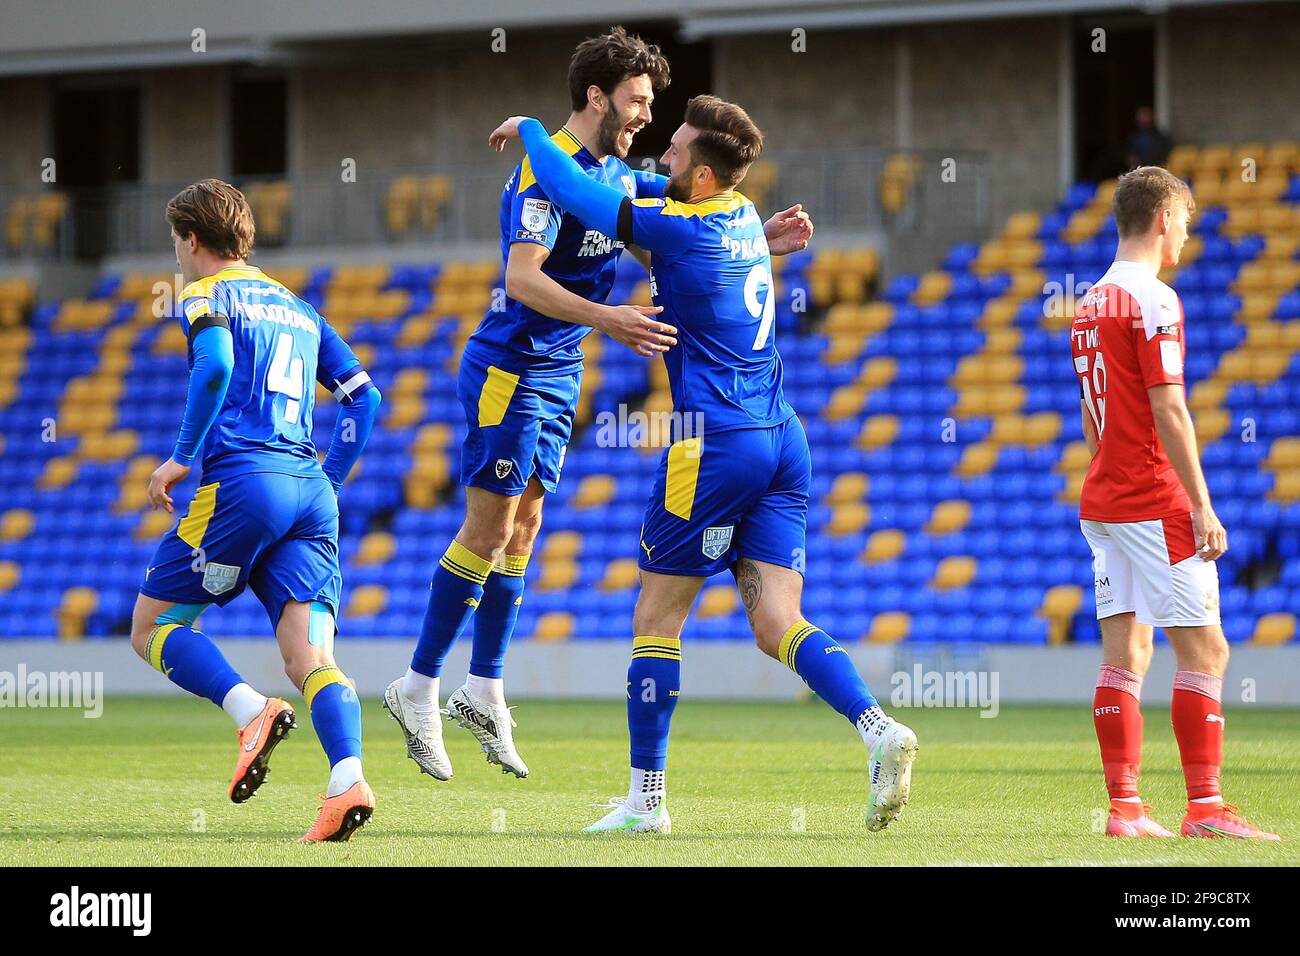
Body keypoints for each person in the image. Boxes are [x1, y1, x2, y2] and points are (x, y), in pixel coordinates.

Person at [385, 27, 813, 785]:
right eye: (639, 99)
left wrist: (757, 242)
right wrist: (608, 318)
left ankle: (483, 689)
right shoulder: (541, 175)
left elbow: (671, 237)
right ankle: (417, 685)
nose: (648, 113)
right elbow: (522, 278)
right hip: (511, 366)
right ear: (597, 96)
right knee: (487, 531)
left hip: (558, 369)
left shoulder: (620, 172)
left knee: (525, 527)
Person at [487, 95, 915, 835]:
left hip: (709, 441)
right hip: (782, 437)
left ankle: (645, 803)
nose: (664, 156)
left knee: (656, 620)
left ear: (707, 172)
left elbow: (573, 192)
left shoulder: (680, 223)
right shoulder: (744, 215)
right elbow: (690, 243)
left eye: (678, 150)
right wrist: (770, 246)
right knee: (778, 619)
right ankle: (879, 730)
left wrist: (530, 129)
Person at [131, 179, 381, 842]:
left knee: (152, 626)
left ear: (191, 239)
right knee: (311, 658)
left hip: (244, 481)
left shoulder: (204, 294)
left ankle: (250, 712)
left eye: (175, 243)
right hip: (309, 490)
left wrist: (180, 457)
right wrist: (328, 480)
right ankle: (346, 780)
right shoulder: (300, 308)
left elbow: (212, 368)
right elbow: (364, 399)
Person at [1071, 165, 1277, 840]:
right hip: (1152, 499)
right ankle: (1207, 809)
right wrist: (1201, 503)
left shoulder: (1088, 302)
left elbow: (1090, 419)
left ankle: (1126, 810)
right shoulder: (1154, 300)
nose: (1185, 237)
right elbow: (1170, 408)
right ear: (1164, 219)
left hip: (1102, 498)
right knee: (1207, 653)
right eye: (1184, 223)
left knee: (1124, 653)